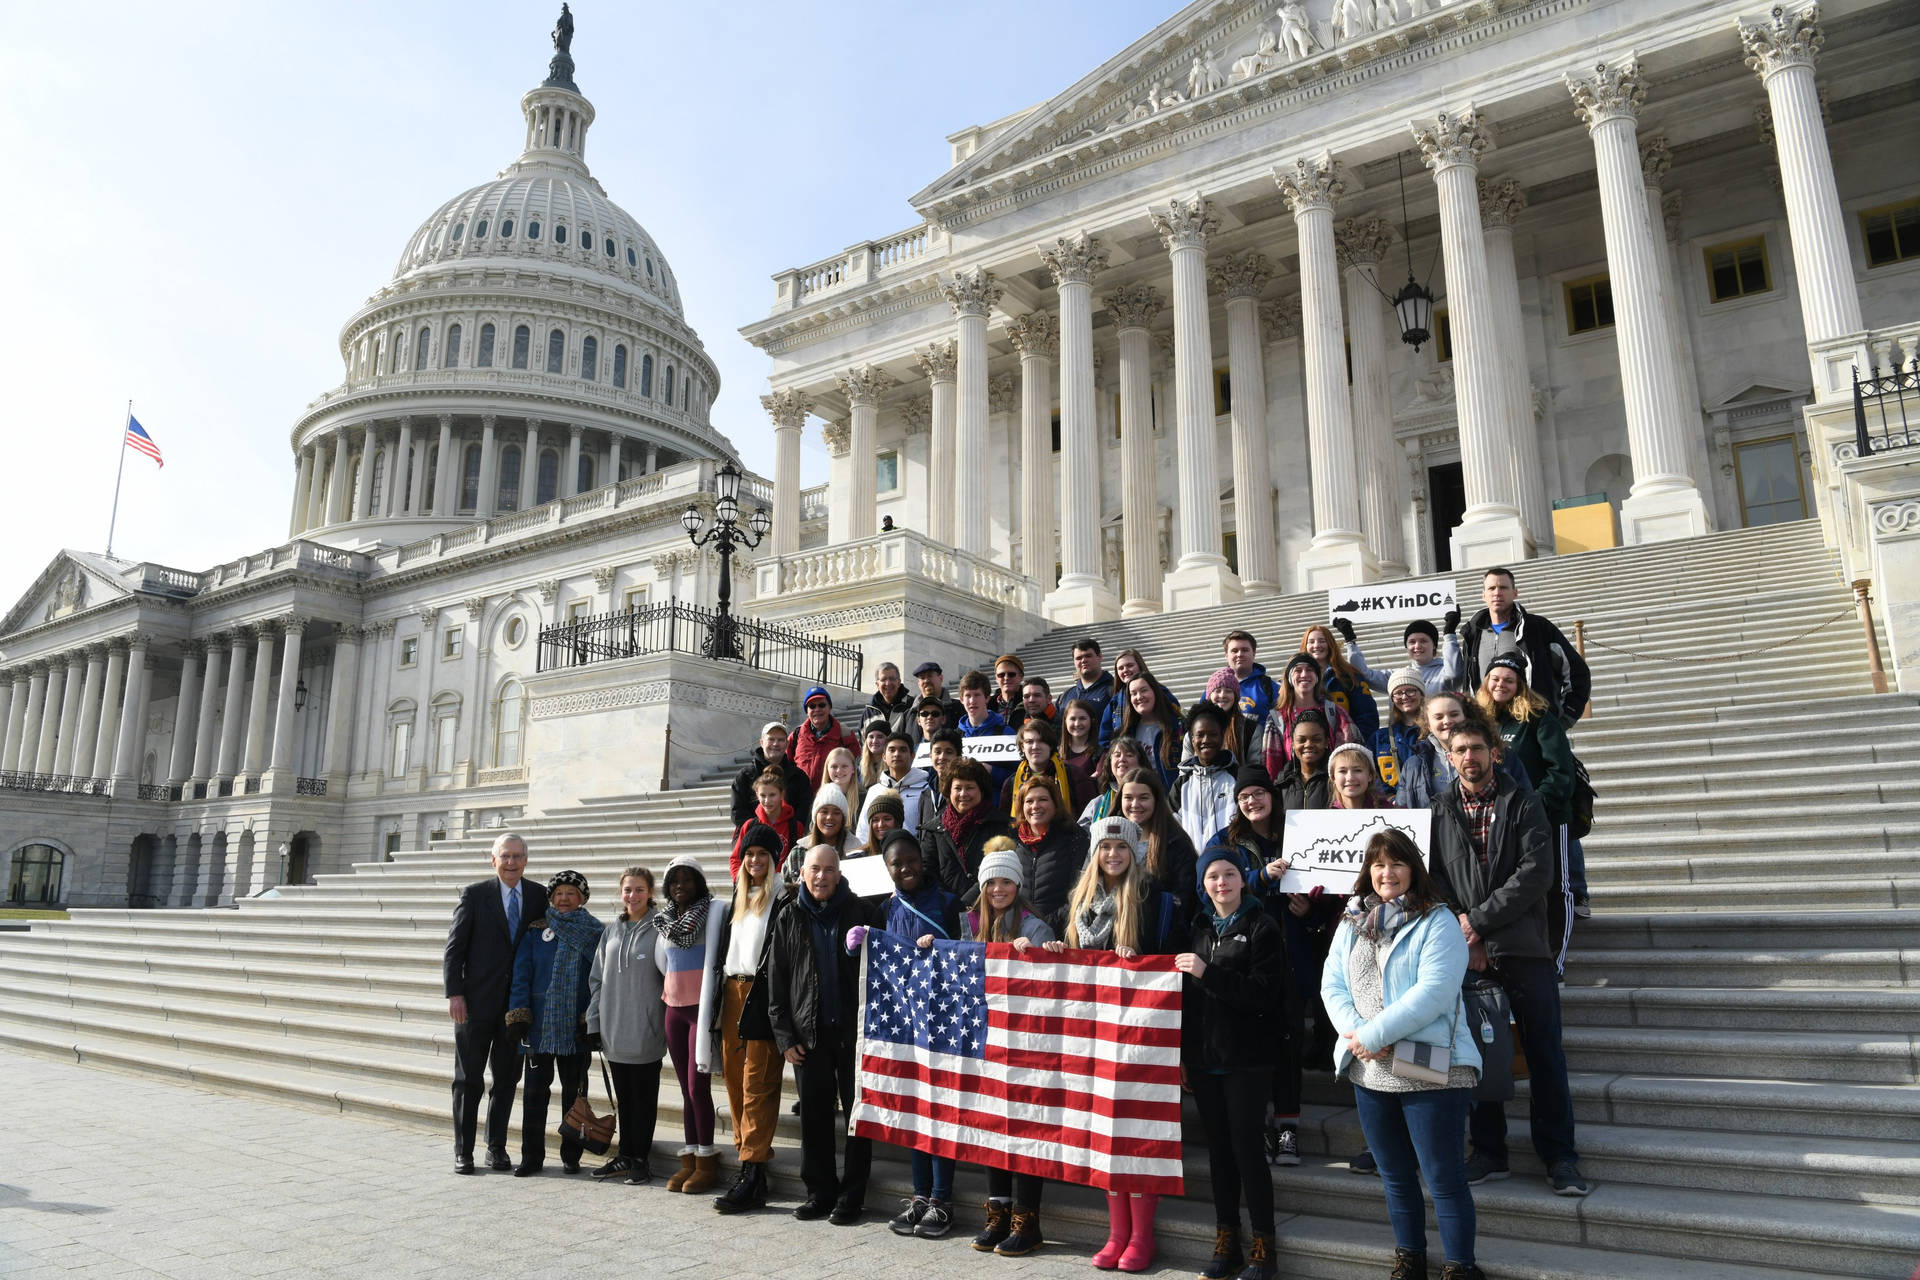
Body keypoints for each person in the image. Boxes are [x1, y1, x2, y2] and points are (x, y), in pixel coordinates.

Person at [1428, 721, 1590, 1198]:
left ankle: (1559, 1156)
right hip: (1468, 953)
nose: (1469, 756)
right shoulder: (1438, 810)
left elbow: (1536, 873)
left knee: (1545, 1055)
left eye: (1477, 747)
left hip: (1523, 948)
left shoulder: (1524, 802)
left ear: (1493, 752)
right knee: (1480, 1056)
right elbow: (1434, 878)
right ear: (1450, 757)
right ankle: (1489, 1151)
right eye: (1460, 750)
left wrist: (1476, 923)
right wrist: (1465, 932)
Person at [1322, 829, 1485, 1280]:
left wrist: (1375, 1033)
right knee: (1394, 1174)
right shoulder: (1352, 921)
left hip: (1430, 1061)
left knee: (1443, 1177)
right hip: (1368, 1066)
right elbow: (1331, 984)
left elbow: (1433, 992)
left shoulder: (1438, 920)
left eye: (1395, 863)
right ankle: (1409, 1258)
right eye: (1377, 864)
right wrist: (1359, 1036)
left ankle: (1459, 1268)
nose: (1386, 872)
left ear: (1413, 868)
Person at [1045, 816, 1180, 1272]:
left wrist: (1140, 961)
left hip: (1140, 1033)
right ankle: (1117, 1232)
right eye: (1106, 848)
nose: (1113, 855)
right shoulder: (1078, 902)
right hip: (1095, 1033)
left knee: (1136, 1132)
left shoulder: (1153, 897)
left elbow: (1171, 961)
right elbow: (1068, 954)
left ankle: (1142, 1236)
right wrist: (1056, 952)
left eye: (1121, 848)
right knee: (1106, 1132)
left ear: (1135, 852)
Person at [842, 830, 963, 1240]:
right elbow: (876, 957)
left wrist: (943, 946)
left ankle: (942, 1200)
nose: (906, 868)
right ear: (887, 868)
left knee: (940, 1111)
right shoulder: (886, 907)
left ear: (922, 861)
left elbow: (970, 948)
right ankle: (920, 1196)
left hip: (945, 1021)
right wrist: (857, 945)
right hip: (906, 1024)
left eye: (911, 860)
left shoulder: (948, 902)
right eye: (897, 863)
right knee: (914, 1109)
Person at [1177, 845, 1287, 1280]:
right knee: (1219, 1154)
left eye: (1228, 875)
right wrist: (1186, 1054)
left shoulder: (1263, 927)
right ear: (1203, 886)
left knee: (1247, 1152)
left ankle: (1264, 1246)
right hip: (1206, 1059)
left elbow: (1262, 995)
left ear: (1243, 879)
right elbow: (1188, 1001)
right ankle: (1228, 1239)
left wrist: (1209, 973)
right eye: (1212, 877)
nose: (1221, 883)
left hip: (1247, 1060)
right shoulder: (1199, 928)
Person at [766, 844, 874, 1224]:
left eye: (830, 869)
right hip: (807, 1035)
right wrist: (783, 1036)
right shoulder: (789, 915)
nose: (822, 876)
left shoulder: (857, 909)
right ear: (803, 873)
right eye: (815, 869)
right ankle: (820, 1191)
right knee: (814, 1116)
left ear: (839, 872)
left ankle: (853, 1194)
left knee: (858, 1117)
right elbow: (776, 980)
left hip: (852, 1034)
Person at [962, 844, 1057, 1256]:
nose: (997, 889)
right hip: (987, 1041)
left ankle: (1027, 1217)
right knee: (991, 1127)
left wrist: (1037, 957)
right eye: (991, 882)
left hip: (1025, 1045)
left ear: (1018, 885)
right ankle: (997, 1210)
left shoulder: (1035, 927)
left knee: (1025, 1129)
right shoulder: (970, 923)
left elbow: (1052, 984)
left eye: (1005, 881)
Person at [1214, 766, 1303, 1168]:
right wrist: (1259, 876)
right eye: (1244, 796)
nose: (1252, 801)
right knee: (1257, 1044)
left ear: (1273, 795)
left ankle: (1288, 1127)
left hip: (1294, 949)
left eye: (1258, 793)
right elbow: (1213, 883)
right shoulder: (1227, 840)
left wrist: (1311, 908)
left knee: (1289, 1040)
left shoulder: (1298, 830)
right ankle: (1263, 1124)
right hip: (1248, 955)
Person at [444, 832, 547, 1174]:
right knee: (467, 1080)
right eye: (505, 856)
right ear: (494, 860)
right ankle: (464, 1151)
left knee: (505, 1080)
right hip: (474, 1005)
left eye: (517, 856)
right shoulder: (474, 895)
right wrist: (454, 994)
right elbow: (454, 948)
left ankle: (496, 1147)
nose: (512, 862)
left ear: (526, 860)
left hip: (514, 1009)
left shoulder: (537, 896)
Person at [710, 828, 792, 1214]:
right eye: (750, 854)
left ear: (774, 859)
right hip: (731, 991)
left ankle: (753, 1166)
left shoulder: (782, 896)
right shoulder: (739, 899)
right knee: (733, 1078)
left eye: (762, 854)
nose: (755, 861)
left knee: (758, 1081)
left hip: (761, 994)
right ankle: (748, 1160)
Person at [1476, 654, 1583, 945]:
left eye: (1509, 680)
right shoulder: (1481, 721)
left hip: (1547, 816)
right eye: (1495, 678)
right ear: (1486, 681)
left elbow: (1561, 771)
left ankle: (1556, 957)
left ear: (1520, 685)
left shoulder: (1538, 717)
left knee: (1555, 887)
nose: (1501, 684)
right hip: (1502, 821)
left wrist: (1536, 806)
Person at [504, 869, 604, 1176]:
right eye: (558, 893)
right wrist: (519, 1013)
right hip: (539, 1028)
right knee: (534, 1095)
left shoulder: (594, 932)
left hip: (576, 1028)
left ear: (582, 898)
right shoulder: (536, 932)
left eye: (571, 894)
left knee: (575, 1094)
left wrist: (592, 1018)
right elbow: (522, 974)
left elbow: (600, 980)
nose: (564, 899)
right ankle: (531, 1157)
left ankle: (571, 1155)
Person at [585, 865, 666, 1186]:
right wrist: (594, 1021)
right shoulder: (611, 931)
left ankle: (640, 1160)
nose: (633, 896)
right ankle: (625, 1154)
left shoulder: (661, 928)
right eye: (628, 890)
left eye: (640, 890)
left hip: (646, 1032)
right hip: (614, 1031)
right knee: (624, 1099)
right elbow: (596, 981)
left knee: (644, 1100)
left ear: (651, 893)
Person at [656, 854, 724, 1194]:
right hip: (674, 1009)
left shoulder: (712, 913)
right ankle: (690, 1157)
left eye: (687, 879)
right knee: (684, 1088)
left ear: (698, 882)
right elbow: (661, 961)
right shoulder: (666, 919)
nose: (680, 886)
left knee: (699, 1087)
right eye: (674, 880)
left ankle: (707, 1159)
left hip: (700, 1009)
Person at [1451, 567, 1592, 726]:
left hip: (1532, 725)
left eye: (1503, 587)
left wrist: (1566, 716)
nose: (1497, 593)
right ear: (1484, 595)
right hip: (1487, 726)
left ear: (1515, 593)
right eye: (1491, 588)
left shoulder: (1539, 628)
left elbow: (1577, 673)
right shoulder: (1473, 633)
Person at [1395, 691, 1532, 811]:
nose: (1447, 721)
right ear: (1428, 725)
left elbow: (1526, 803)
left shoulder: (1502, 755)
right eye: (1438, 717)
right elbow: (1402, 811)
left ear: (1465, 717)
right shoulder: (1413, 765)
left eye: (1454, 714)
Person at [1114, 765, 1200, 924]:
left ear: (1156, 800)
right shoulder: (1108, 841)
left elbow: (1185, 900)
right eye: (1128, 798)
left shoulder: (1176, 843)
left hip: (1158, 937)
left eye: (1143, 798)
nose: (1135, 804)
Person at [927, 757, 1015, 907]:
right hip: (945, 911)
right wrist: (949, 905)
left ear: (981, 790)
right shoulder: (933, 829)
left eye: (970, 787)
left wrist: (966, 903)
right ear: (948, 791)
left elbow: (998, 869)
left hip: (989, 908)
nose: (963, 794)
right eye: (958, 788)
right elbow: (927, 872)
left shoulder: (1002, 825)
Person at [1263, 654, 1362, 777]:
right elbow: (1271, 766)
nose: (1304, 674)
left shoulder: (1334, 712)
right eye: (1298, 670)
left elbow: (1353, 754)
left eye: (1310, 670)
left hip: (1331, 788)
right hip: (1293, 790)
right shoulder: (1277, 718)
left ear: (1317, 677)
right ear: (1289, 678)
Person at [1011, 774, 1089, 923]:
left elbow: (1079, 893)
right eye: (1029, 801)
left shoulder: (1074, 837)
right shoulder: (1011, 841)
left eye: (1043, 799)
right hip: (1016, 932)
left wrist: (1046, 925)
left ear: (1055, 804)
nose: (1035, 806)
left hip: (1059, 935)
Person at [1174, 702, 1241, 852]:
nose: (1206, 740)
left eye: (1212, 734)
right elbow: (1171, 831)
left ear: (1222, 736)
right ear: (1192, 739)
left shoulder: (1238, 777)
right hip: (1192, 869)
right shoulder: (1181, 784)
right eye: (1200, 735)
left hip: (1231, 867)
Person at [1336, 617, 1457, 696]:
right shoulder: (1398, 676)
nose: (1417, 646)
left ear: (1434, 646)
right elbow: (1364, 675)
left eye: (1424, 641)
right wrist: (1350, 641)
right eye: (1412, 642)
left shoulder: (1444, 672)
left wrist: (1449, 634)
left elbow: (1454, 674)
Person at [1300, 624, 1380, 744]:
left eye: (1322, 641)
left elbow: (1367, 716)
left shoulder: (1350, 677)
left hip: (1345, 751)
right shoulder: (1296, 679)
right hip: (1310, 749)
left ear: (1330, 644)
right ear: (1305, 647)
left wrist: (1355, 745)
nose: (1316, 645)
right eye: (1311, 642)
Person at [730, 722, 812, 828]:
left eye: (781, 740)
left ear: (787, 744)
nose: (775, 744)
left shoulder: (799, 777)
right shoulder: (745, 776)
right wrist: (761, 830)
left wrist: (786, 830)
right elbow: (737, 812)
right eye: (771, 739)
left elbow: (804, 810)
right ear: (762, 742)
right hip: (754, 838)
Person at [731, 766, 806, 880]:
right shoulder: (749, 826)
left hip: (784, 889)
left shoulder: (795, 827)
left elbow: (801, 859)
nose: (767, 800)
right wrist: (741, 882)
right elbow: (736, 859)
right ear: (757, 795)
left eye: (772, 795)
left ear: (782, 794)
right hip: (755, 888)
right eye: (763, 795)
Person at [1099, 649, 1182, 748]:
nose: (1125, 670)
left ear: (1140, 666)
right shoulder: (1115, 702)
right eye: (1121, 668)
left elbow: (1177, 720)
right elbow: (1104, 737)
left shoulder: (1161, 692)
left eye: (1130, 665)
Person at [856, 732, 928, 845]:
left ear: (913, 756)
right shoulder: (874, 791)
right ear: (884, 756)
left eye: (903, 750)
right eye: (892, 750)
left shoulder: (925, 789)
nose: (897, 754)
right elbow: (863, 831)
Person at [998, 716, 1078, 816]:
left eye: (1041, 741)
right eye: (1029, 742)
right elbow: (1006, 822)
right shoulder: (1011, 783)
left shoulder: (1073, 775)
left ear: (1051, 745)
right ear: (1022, 747)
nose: (1035, 746)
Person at [1119, 674, 1184, 788]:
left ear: (1155, 692)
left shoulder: (1178, 726)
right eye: (1133, 693)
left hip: (1172, 799)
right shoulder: (1127, 732)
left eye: (1144, 690)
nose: (1139, 697)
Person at [956, 670, 1016, 788]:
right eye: (968, 695)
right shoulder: (955, 735)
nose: (972, 701)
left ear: (987, 698)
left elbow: (1019, 776)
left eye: (977, 695)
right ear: (962, 700)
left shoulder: (1005, 733)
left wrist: (992, 771)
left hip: (995, 804)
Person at [1374, 669, 1427, 800]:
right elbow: (1374, 777)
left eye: (1411, 690)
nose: (1404, 697)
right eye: (1398, 693)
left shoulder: (1436, 733)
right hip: (1397, 810)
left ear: (1421, 694)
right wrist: (1390, 799)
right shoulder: (1379, 738)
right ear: (1392, 699)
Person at [786, 782, 853, 881]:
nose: (829, 817)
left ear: (843, 818)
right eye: (824, 812)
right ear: (815, 816)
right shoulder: (798, 853)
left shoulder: (856, 850)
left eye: (836, 813)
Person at [792, 686, 852, 788]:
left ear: (829, 708)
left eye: (822, 705)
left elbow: (855, 764)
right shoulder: (796, 735)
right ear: (807, 711)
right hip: (801, 799)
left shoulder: (845, 733)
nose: (817, 709)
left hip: (832, 798)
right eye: (812, 706)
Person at [1079, 736, 1148, 826]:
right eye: (1117, 755)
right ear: (1110, 763)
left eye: (1129, 755)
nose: (1122, 759)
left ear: (1140, 763)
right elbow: (1081, 836)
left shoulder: (1151, 800)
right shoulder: (1098, 804)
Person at [1204, 667, 1265, 767]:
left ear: (1236, 697)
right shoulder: (1196, 729)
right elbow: (1186, 771)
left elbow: (1254, 768)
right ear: (1209, 696)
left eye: (1228, 691)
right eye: (1217, 690)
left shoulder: (1251, 729)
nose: (1222, 695)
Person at [1219, 630, 1281, 726]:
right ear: (1226, 655)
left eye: (1245, 650)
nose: (1239, 654)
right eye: (1234, 651)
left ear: (1254, 653)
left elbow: (1280, 725)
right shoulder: (1215, 687)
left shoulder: (1271, 687)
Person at [1274, 710, 1332, 812]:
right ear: (1292, 744)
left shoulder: (1336, 779)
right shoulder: (1282, 783)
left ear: (1326, 742)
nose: (1308, 744)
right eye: (1301, 740)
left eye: (1316, 739)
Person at [1056, 636, 1117, 728]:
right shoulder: (1065, 696)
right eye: (1078, 658)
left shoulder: (1116, 690)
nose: (1083, 660)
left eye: (1088, 656)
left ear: (1100, 657)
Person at [1058, 699, 1101, 807]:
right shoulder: (1057, 754)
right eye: (1072, 719)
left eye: (1082, 718)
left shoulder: (1101, 753)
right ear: (1065, 721)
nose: (1077, 723)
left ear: (1091, 720)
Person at [1330, 741, 1392, 810]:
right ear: (1333, 778)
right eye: (1342, 771)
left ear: (1370, 775)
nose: (1350, 778)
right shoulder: (1327, 817)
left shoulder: (1389, 812)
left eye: (1357, 770)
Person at [864, 662, 916, 738]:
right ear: (877, 685)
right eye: (883, 679)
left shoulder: (912, 706)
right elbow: (863, 742)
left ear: (899, 682)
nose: (888, 683)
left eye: (892, 679)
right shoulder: (869, 711)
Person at [913, 660, 966, 730]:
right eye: (922, 678)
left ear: (941, 678)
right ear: (918, 683)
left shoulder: (959, 709)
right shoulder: (910, 714)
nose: (926, 681)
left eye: (930, 676)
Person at [823, 745, 864, 827]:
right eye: (834, 766)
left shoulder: (864, 798)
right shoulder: (820, 798)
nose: (839, 771)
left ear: (853, 769)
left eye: (844, 766)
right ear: (827, 769)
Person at [988, 654, 1026, 720]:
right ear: (996, 679)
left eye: (1011, 674)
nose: (1006, 678)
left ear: (1021, 677)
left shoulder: (1029, 702)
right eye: (1001, 675)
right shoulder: (987, 704)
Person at [856, 721, 889, 790]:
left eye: (880, 737)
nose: (874, 741)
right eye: (871, 737)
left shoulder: (893, 765)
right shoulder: (858, 766)